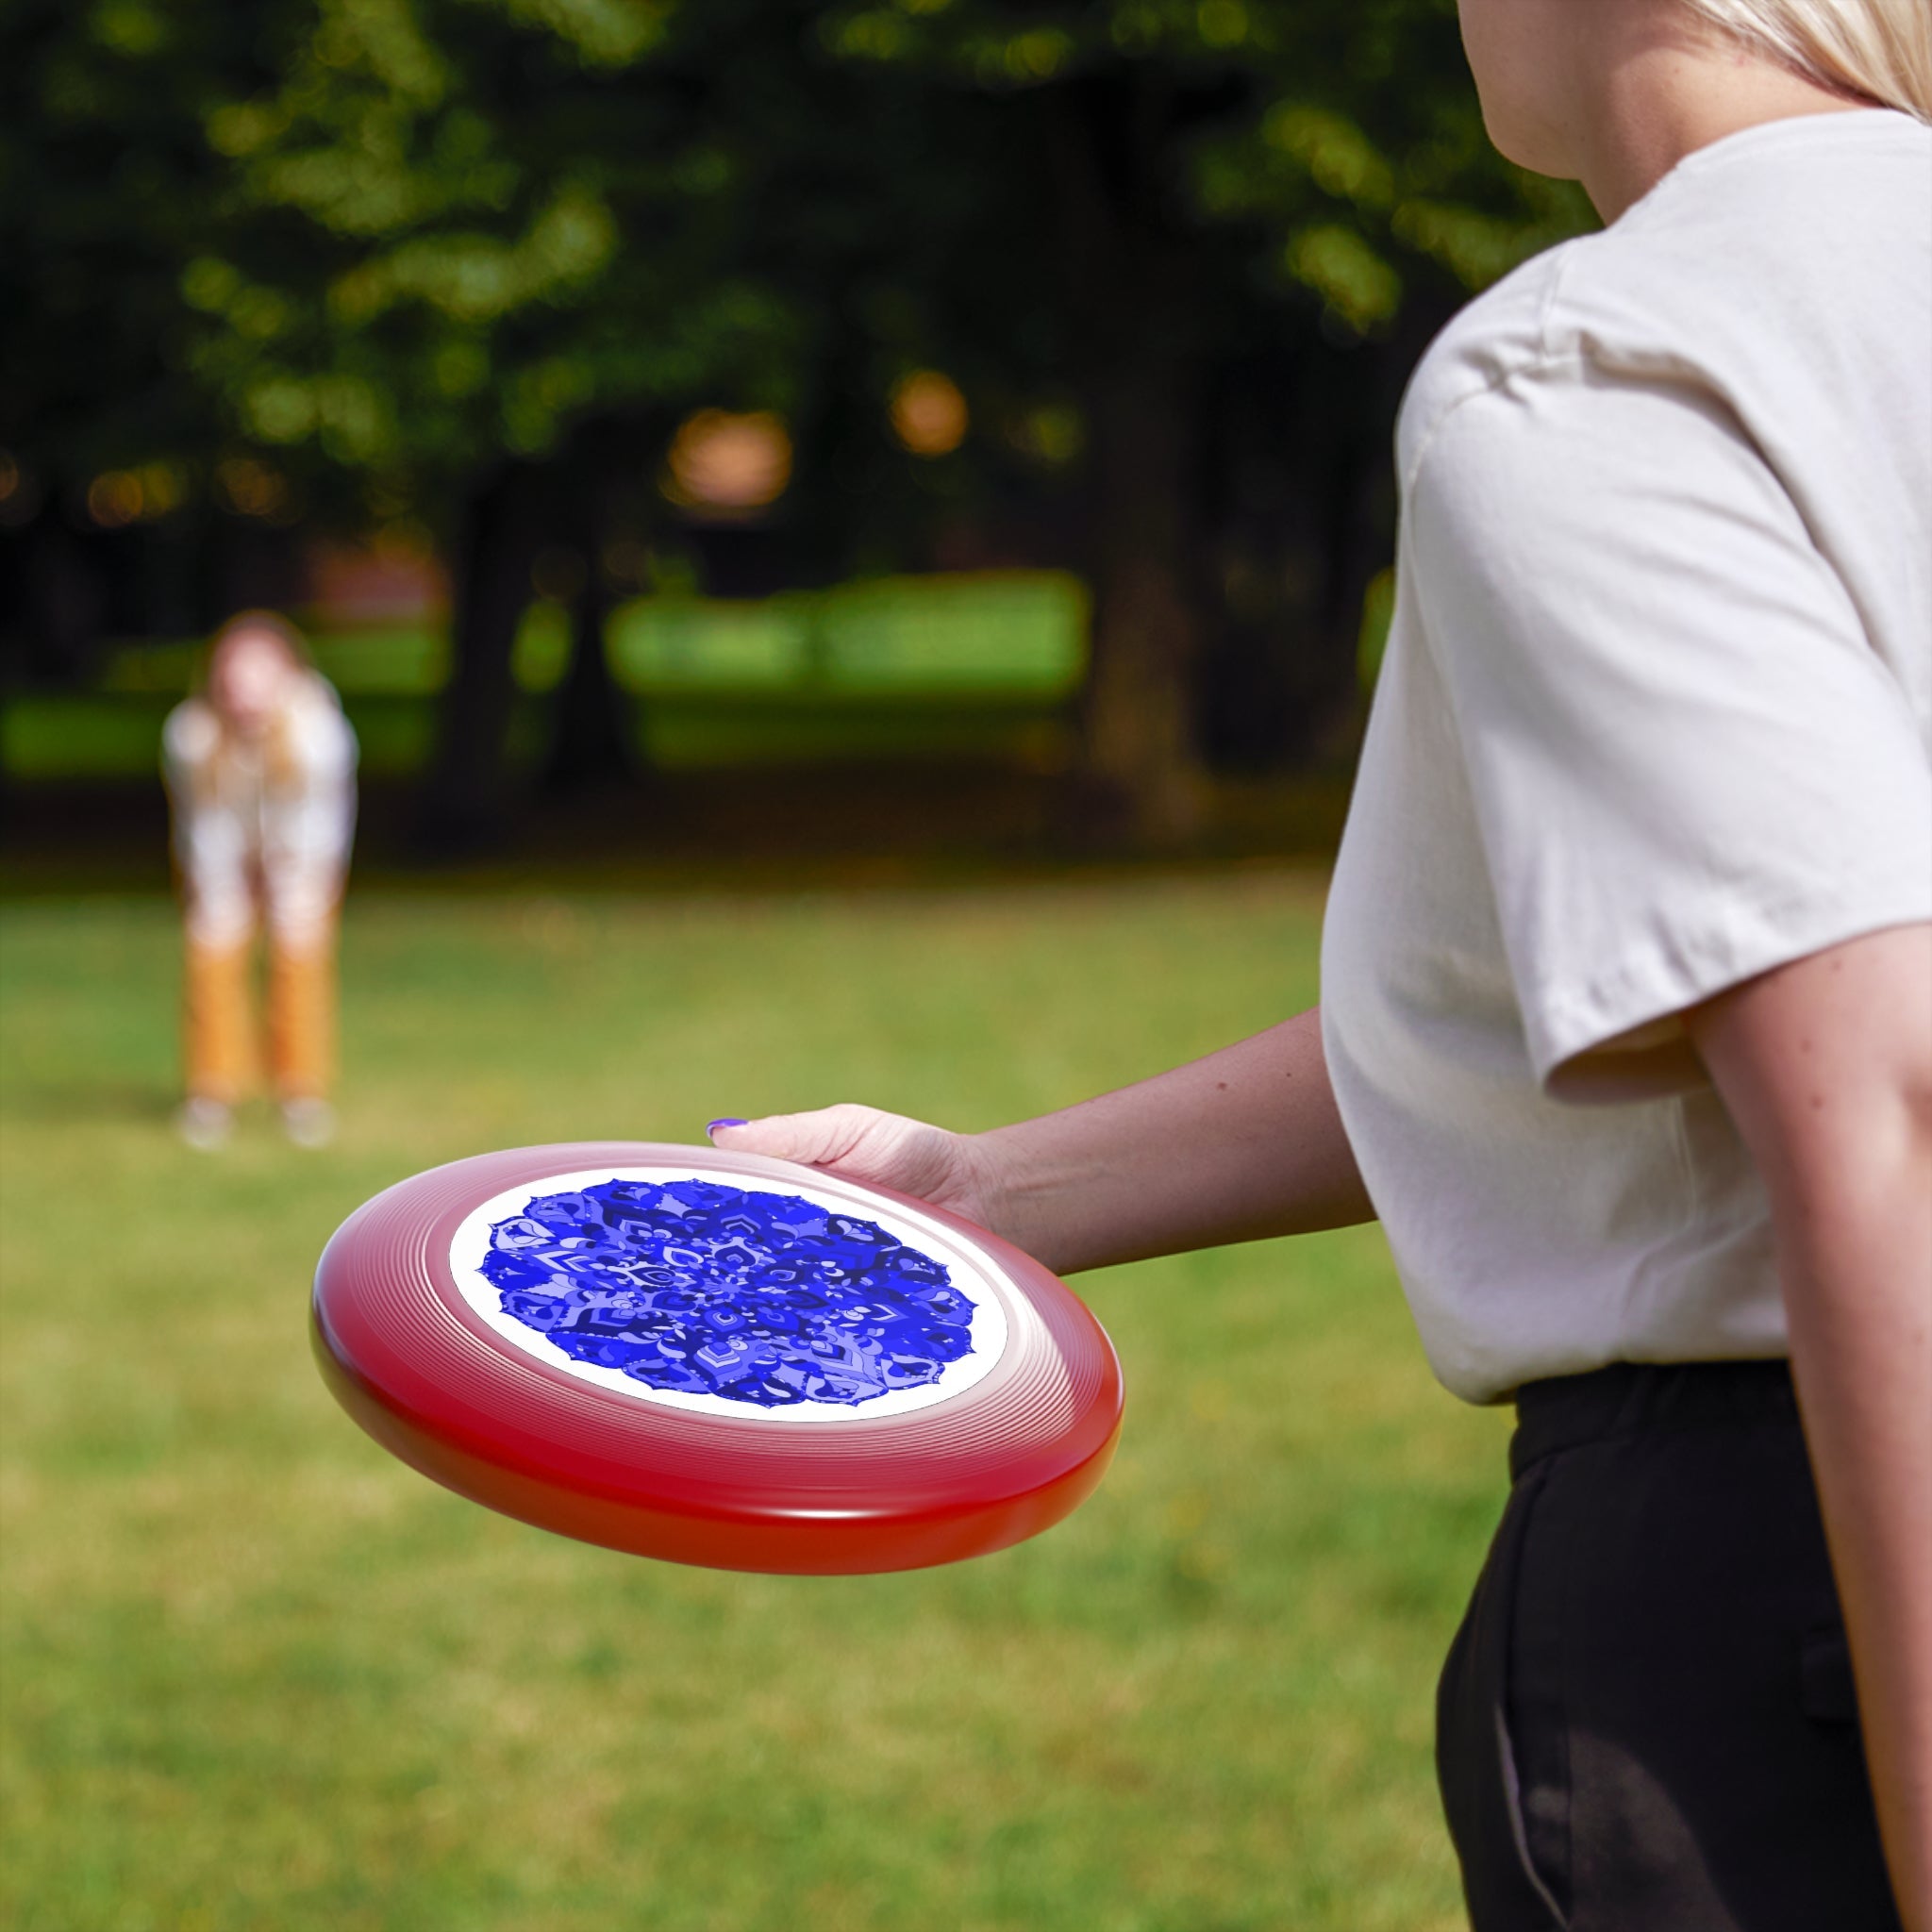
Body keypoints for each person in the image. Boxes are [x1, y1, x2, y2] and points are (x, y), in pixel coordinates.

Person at [707, 2, 1932, 1925]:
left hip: (1794, 1593)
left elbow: (1884, 1099)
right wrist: (987, 1189)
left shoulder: (1607, 361)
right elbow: (1636, 987)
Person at [162, 611, 358, 1150]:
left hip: (302, 858)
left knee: (299, 958)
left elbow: (317, 824)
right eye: (234, 675)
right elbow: (204, 824)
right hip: (221, 856)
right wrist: (224, 889)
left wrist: (288, 882)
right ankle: (212, 1091)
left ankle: (301, 1092)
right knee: (212, 952)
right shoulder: (191, 735)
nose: (244, 691)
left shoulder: (319, 734)